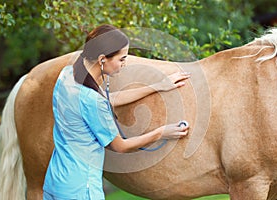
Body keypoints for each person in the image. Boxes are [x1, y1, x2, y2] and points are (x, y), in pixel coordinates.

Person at [43, 24, 190, 200]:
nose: (124, 64)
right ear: (102, 59)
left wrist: (157, 86)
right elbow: (120, 146)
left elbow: (107, 100)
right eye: (121, 59)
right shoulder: (92, 100)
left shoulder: (66, 76)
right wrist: (162, 132)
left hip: (55, 183)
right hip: (82, 190)